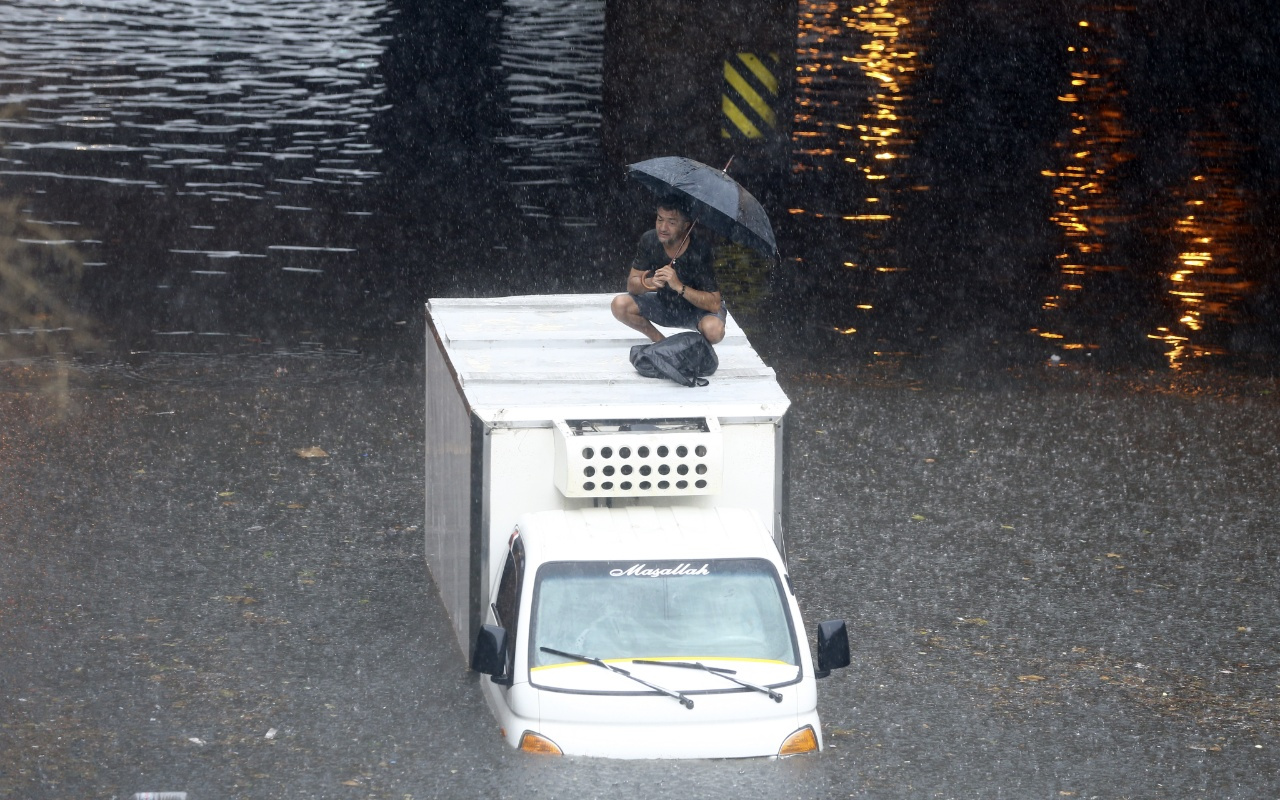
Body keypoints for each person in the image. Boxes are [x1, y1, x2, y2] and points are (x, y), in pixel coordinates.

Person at [610, 196, 726, 345]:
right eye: (659, 219)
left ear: (685, 226)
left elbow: (714, 304)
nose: (663, 228)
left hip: (696, 310)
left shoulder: (700, 249)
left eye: (671, 222)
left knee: (714, 331)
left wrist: (678, 286)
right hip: (664, 304)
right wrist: (650, 282)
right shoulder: (649, 240)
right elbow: (631, 285)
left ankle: (694, 349)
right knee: (620, 304)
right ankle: (661, 343)